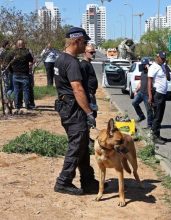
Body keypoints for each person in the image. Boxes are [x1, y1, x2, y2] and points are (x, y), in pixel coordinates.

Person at [53, 27, 98, 195]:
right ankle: (63, 182)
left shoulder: (60, 59)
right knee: (77, 146)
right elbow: (77, 89)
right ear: (77, 41)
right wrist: (88, 112)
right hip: (74, 111)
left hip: (67, 108)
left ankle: (89, 182)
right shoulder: (72, 63)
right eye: (85, 42)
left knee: (83, 146)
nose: (85, 45)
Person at [148, 51, 170, 144]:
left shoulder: (163, 66)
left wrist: (167, 67)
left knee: (160, 115)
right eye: (161, 58)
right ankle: (154, 136)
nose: (163, 60)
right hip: (157, 94)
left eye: (164, 58)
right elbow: (149, 81)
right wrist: (150, 96)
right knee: (157, 116)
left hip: (163, 94)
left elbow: (168, 78)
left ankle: (158, 134)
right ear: (157, 57)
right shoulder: (154, 67)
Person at [5, 39, 34, 113]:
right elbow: (31, 60)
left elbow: (7, 64)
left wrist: (12, 71)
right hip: (24, 74)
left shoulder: (12, 53)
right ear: (23, 45)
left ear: (17, 45)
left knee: (16, 91)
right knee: (26, 90)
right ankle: (27, 105)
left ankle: (17, 106)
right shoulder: (26, 53)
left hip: (15, 74)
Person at [132, 58, 153, 128]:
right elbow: (141, 82)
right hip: (141, 92)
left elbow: (152, 76)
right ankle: (141, 116)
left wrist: (148, 68)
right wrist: (136, 90)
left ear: (147, 65)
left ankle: (150, 125)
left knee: (149, 110)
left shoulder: (150, 72)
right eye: (142, 64)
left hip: (147, 94)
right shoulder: (142, 73)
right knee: (134, 102)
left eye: (144, 64)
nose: (143, 66)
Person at [80, 44, 98, 118]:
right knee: (90, 115)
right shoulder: (83, 65)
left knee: (94, 115)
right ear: (85, 53)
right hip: (88, 95)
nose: (93, 54)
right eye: (91, 52)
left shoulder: (88, 64)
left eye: (94, 52)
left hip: (91, 94)